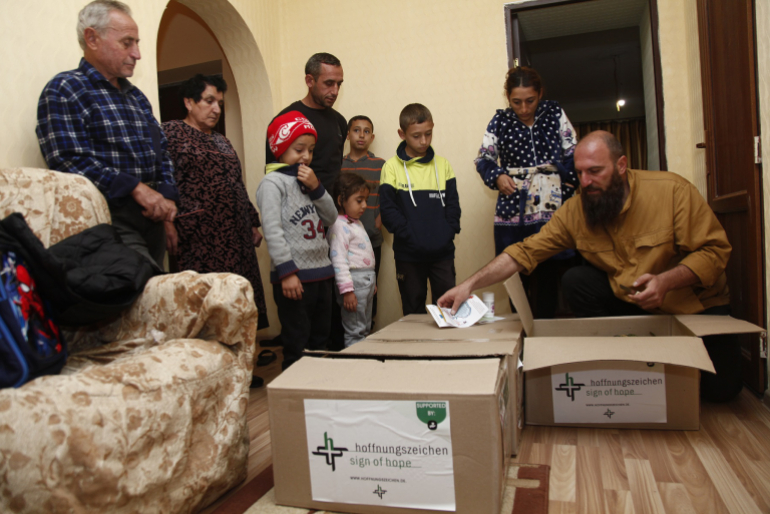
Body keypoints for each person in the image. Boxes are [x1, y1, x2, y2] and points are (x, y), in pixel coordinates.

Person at [439, 131, 736, 401]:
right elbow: (523, 252)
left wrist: (667, 282)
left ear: (621, 165)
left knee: (721, 392)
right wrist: (469, 285)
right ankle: (617, 358)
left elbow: (715, 250)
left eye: (595, 172)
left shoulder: (672, 192)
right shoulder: (576, 211)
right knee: (577, 279)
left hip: (690, 305)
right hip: (634, 303)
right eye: (580, 172)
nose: (585, 182)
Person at [36, 0, 176, 270]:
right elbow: (67, 160)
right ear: (92, 38)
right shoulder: (65, 88)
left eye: (137, 42)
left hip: (153, 218)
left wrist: (167, 201)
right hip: (108, 218)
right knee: (143, 288)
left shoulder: (137, 97)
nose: (137, 53)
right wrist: (135, 188)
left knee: (155, 295)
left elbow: (162, 151)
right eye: (127, 43)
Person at [162, 74, 269, 331]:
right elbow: (162, 179)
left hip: (236, 235)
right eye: (209, 101)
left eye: (220, 103)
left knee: (238, 298)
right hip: (199, 235)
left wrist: (252, 222)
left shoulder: (222, 141)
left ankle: (241, 364)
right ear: (189, 102)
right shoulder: (171, 133)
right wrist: (167, 222)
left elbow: (237, 183)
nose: (216, 109)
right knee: (207, 303)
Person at [475, 66, 578, 318]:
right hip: (514, 208)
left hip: (552, 205)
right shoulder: (500, 121)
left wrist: (568, 184)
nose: (523, 109)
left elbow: (574, 151)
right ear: (507, 98)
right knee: (514, 268)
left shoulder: (554, 113)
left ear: (540, 94)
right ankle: (519, 331)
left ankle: (543, 331)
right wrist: (498, 176)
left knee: (548, 268)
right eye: (516, 102)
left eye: (530, 101)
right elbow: (483, 159)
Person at [266, 52, 347, 350]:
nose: (335, 91)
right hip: (296, 227)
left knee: (329, 305)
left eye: (339, 84)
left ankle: (331, 360)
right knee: (299, 321)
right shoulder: (288, 119)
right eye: (328, 83)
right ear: (309, 80)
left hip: (328, 218)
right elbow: (274, 175)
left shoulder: (339, 121)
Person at [256, 111, 337, 370]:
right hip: (294, 278)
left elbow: (331, 216)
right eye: (299, 149)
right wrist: (287, 272)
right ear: (280, 149)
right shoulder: (272, 183)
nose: (306, 156)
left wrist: (317, 188)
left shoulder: (309, 180)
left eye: (311, 150)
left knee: (319, 339)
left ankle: (316, 389)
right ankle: (294, 398)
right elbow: (272, 229)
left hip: (321, 274)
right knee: (297, 341)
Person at [380, 103, 461, 316]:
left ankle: (443, 350)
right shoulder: (391, 167)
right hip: (408, 255)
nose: (424, 141)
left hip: (443, 253)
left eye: (428, 134)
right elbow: (388, 211)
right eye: (416, 136)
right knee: (412, 312)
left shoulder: (443, 165)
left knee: (446, 312)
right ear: (402, 134)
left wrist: (447, 232)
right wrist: (409, 235)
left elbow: (453, 207)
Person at [340, 116, 385, 328]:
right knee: (344, 290)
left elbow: (387, 198)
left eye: (366, 131)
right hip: (343, 243)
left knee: (370, 290)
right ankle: (346, 336)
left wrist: (379, 221)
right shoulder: (339, 165)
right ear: (348, 135)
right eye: (356, 130)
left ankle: (369, 329)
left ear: (372, 137)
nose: (361, 135)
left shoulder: (380, 165)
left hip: (371, 241)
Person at [328, 173, 377, 347]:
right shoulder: (338, 225)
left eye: (366, 200)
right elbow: (339, 261)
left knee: (364, 326)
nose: (364, 205)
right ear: (341, 200)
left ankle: (363, 359)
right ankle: (355, 363)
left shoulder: (355, 222)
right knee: (355, 330)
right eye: (359, 200)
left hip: (365, 282)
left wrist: (371, 283)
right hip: (353, 284)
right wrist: (347, 291)